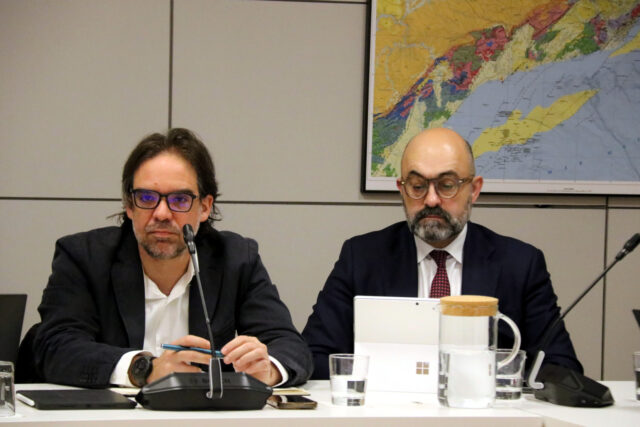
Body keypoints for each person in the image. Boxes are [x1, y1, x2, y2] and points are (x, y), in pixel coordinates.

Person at [33, 128, 312, 388]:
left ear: (205, 207)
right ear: (129, 205)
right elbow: (54, 347)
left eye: (179, 200)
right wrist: (144, 369)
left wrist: (268, 368)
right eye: (146, 198)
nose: (162, 214)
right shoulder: (84, 257)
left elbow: (290, 345)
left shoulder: (236, 259)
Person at [302, 127, 582, 379]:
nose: (431, 199)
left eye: (447, 185)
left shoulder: (520, 264)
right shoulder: (362, 257)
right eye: (417, 186)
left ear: (474, 190)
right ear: (401, 189)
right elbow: (315, 355)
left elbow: (560, 367)